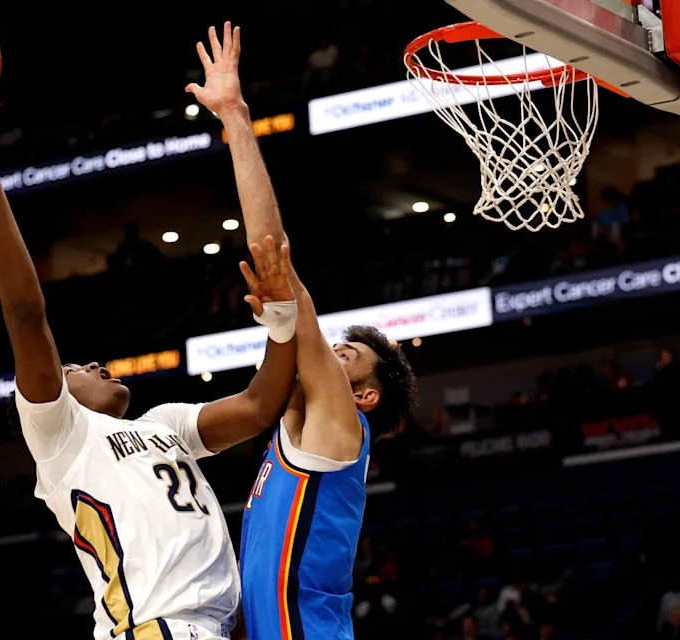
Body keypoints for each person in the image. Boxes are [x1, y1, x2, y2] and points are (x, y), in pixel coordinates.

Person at [0, 81, 300, 640]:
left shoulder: (163, 424)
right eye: (74, 369)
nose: (95, 364)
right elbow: (26, 312)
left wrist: (281, 318)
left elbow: (258, 404)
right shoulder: (60, 440)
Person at [186, 22, 418, 640]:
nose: (326, 354)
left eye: (345, 357)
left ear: (363, 396)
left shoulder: (342, 425)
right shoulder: (295, 432)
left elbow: (274, 254)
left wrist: (235, 116)